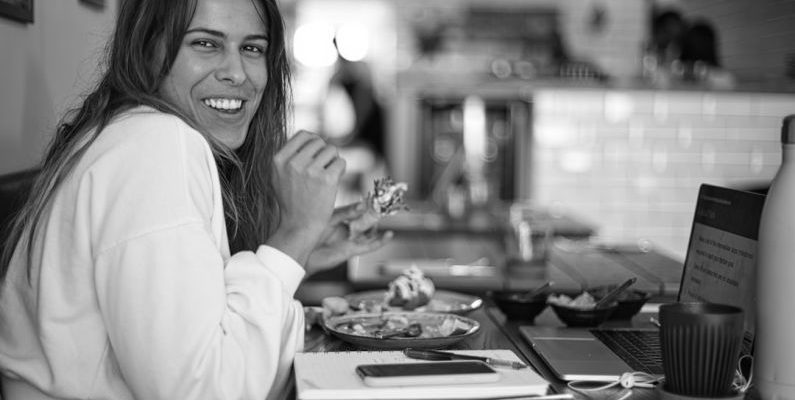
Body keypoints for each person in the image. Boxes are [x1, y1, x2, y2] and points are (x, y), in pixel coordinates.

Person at [0, 0, 391, 399]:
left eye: (253, 48)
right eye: (205, 43)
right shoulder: (156, 143)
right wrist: (293, 234)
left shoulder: (129, 134)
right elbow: (206, 390)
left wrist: (297, 254)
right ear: (147, 49)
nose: (237, 73)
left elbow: (185, 322)